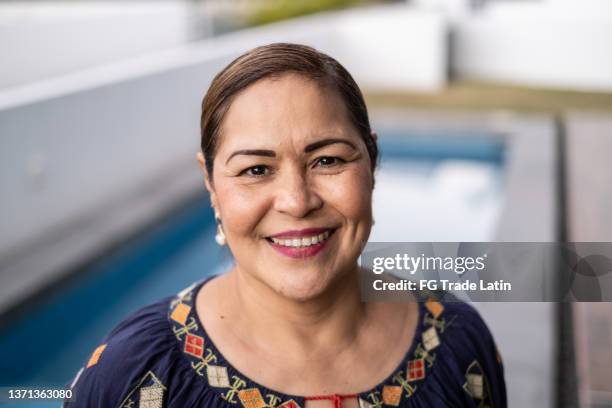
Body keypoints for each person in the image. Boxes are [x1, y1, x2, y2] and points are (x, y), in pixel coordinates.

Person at [63, 43, 506, 408]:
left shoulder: (457, 345)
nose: (297, 202)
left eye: (327, 160)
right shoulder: (136, 374)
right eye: (256, 169)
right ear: (211, 184)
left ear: (371, 161)